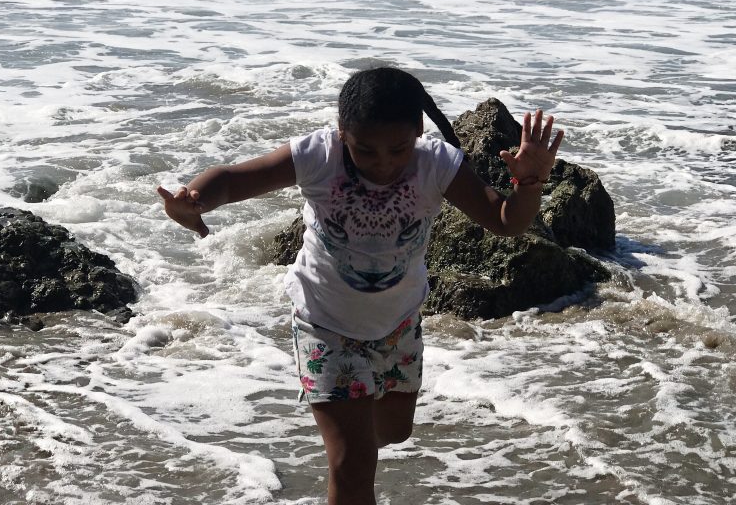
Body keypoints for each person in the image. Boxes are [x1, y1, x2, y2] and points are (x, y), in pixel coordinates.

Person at [157, 66, 563, 505]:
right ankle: (342, 432)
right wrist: (194, 200)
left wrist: (529, 183)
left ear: (418, 133)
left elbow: (505, 221)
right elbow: (233, 179)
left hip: (398, 324)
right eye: (365, 150)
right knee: (353, 467)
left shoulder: (436, 163)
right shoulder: (318, 155)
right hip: (324, 324)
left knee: (393, 432)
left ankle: (347, 425)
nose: (384, 163)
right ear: (341, 132)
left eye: (398, 149)